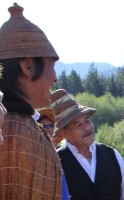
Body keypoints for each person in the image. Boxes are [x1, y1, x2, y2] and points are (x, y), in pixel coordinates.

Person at [0, 3, 63, 199]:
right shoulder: (12, 132)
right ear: (28, 67)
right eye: (51, 66)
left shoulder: (17, 125)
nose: (55, 78)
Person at [50, 89, 124, 200]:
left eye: (87, 120)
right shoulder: (56, 163)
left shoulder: (112, 155)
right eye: (78, 124)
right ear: (63, 133)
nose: (87, 128)